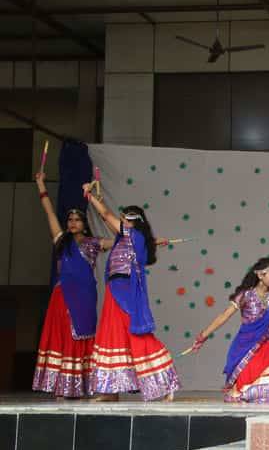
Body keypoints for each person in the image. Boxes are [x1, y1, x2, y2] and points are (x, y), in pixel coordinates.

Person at [84, 185, 180, 402]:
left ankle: (166, 383)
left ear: (132, 221)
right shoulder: (127, 238)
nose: (120, 222)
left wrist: (90, 196)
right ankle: (110, 391)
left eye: (123, 219)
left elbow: (105, 215)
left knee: (137, 336)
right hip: (115, 290)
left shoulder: (133, 234)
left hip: (125, 292)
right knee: (112, 337)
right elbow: (109, 220)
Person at [188, 257, 269, 403]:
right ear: (260, 275)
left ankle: (268, 393)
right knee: (245, 377)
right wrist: (202, 336)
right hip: (245, 346)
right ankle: (242, 391)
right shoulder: (245, 295)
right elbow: (224, 316)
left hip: (265, 343)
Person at [31, 172, 111, 397]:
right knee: (63, 336)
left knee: (84, 336)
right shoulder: (61, 241)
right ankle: (62, 386)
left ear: (84, 224)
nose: (73, 223)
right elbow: (49, 212)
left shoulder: (94, 243)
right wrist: (40, 185)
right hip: (63, 297)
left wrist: (101, 206)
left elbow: (121, 240)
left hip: (85, 298)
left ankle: (82, 386)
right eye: (70, 220)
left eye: (77, 220)